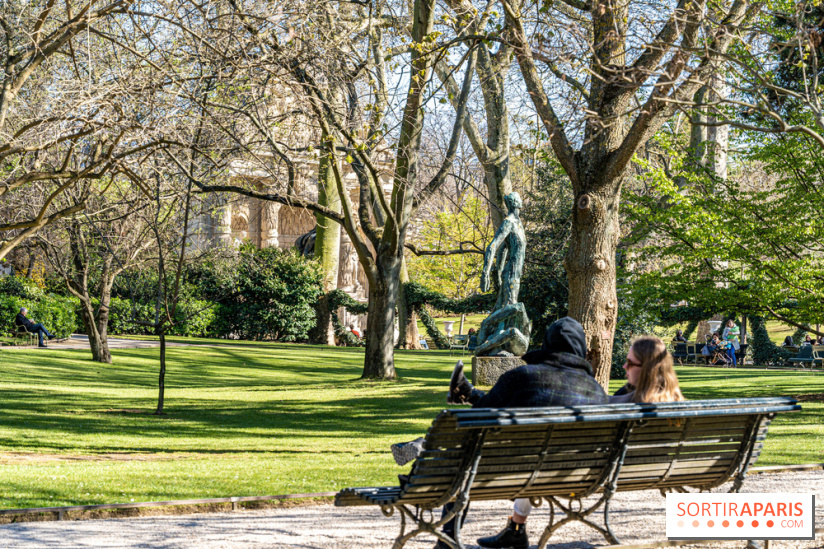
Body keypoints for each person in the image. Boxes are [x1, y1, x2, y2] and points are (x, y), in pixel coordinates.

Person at [440, 317, 608, 549]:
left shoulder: (524, 376)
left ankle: (448, 538)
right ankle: (516, 530)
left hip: (512, 472)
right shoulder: (595, 390)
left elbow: (480, 416)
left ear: (547, 344)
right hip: (577, 475)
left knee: (464, 454)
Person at [609, 336, 685, 404]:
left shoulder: (625, 399)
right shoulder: (676, 404)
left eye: (630, 363)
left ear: (648, 368)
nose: (624, 366)